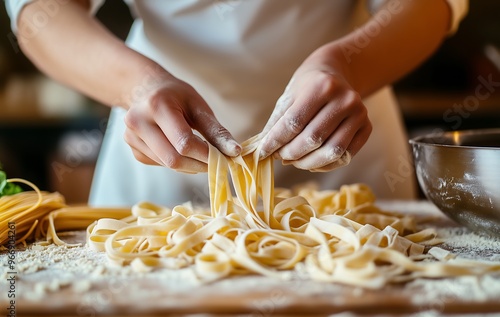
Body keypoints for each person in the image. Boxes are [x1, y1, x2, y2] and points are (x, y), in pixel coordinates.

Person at [6, 0, 468, 207]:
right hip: (160, 158)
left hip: (342, 152)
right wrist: (137, 86)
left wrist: (345, 66)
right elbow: (41, 10)